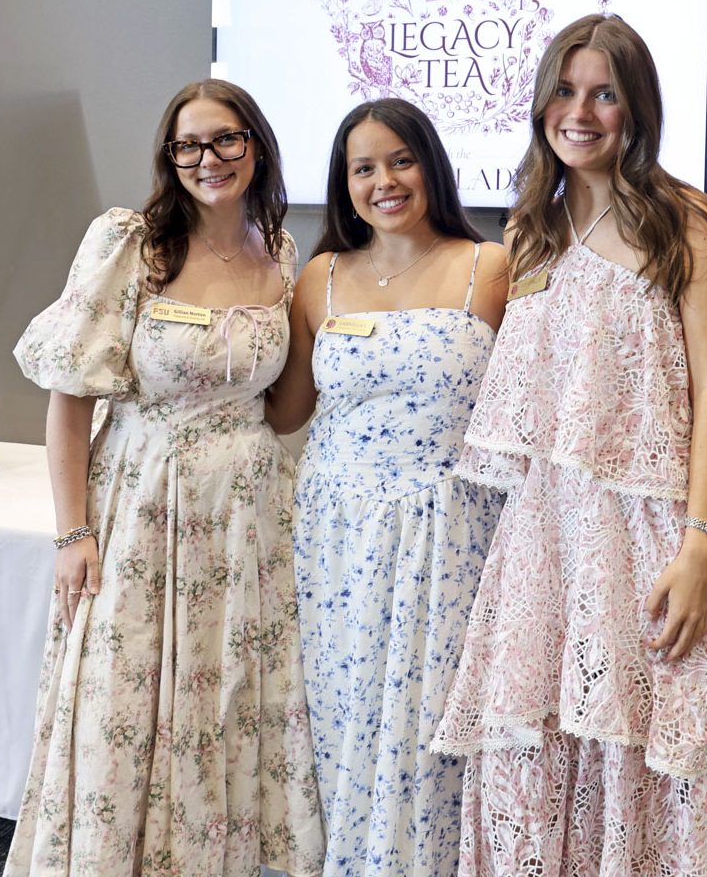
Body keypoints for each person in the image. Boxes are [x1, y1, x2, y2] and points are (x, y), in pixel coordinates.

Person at [430, 15, 707, 875]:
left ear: (637, 110)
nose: (580, 112)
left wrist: (701, 547)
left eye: (605, 94)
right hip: (547, 545)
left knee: (655, 763)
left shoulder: (682, 222)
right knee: (539, 762)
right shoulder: (529, 235)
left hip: (655, 535)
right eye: (565, 90)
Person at [6, 79, 323, 877]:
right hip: (143, 504)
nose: (206, 159)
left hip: (249, 512)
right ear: (169, 155)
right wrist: (73, 533)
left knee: (232, 696)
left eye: (224, 140)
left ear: (256, 144)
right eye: (188, 145)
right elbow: (70, 402)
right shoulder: (133, 244)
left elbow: (283, 411)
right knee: (126, 693)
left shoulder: (281, 252)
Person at [265, 98, 509, 877]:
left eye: (400, 160)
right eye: (363, 167)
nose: (384, 181)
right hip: (335, 533)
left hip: (450, 532)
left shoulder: (491, 266)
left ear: (430, 164)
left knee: (428, 724)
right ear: (344, 183)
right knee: (342, 716)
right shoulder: (319, 279)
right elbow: (290, 410)